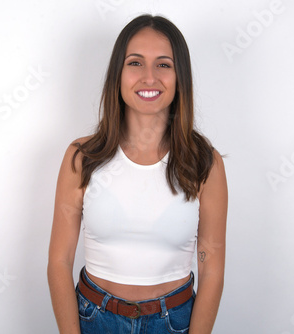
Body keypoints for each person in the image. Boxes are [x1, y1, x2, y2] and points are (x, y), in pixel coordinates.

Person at [48, 14, 227, 334]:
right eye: (135, 63)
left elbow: (211, 268)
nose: (149, 77)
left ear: (179, 77)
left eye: (163, 64)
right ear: (117, 74)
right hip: (94, 319)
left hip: (174, 322)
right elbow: (59, 261)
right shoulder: (82, 157)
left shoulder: (204, 163)